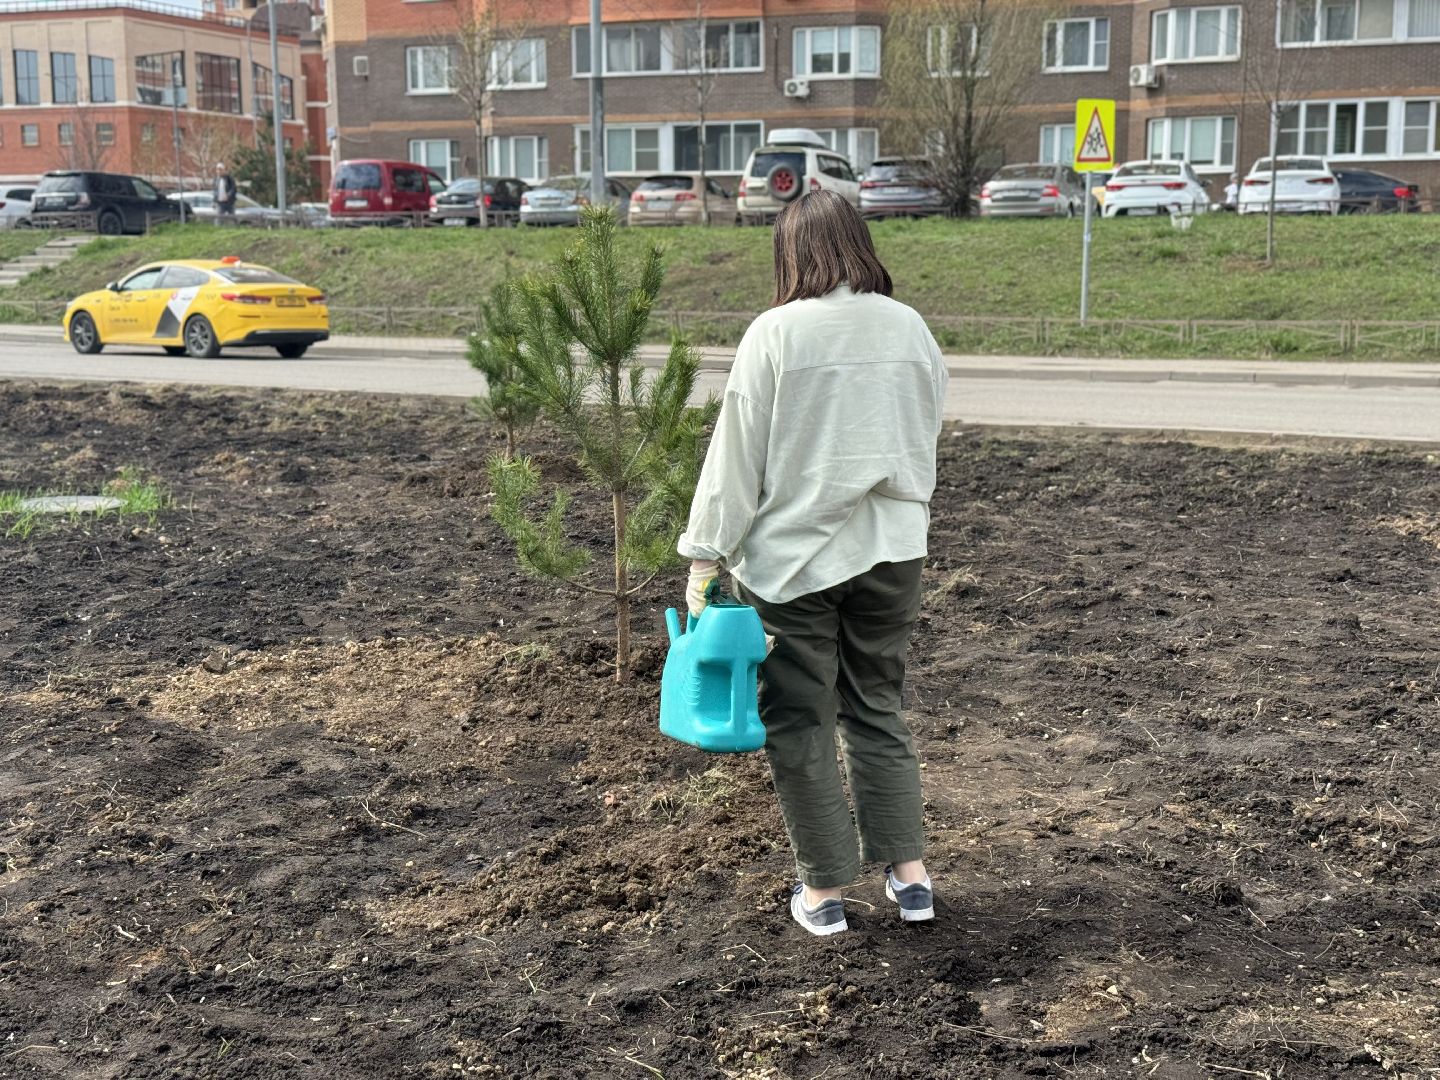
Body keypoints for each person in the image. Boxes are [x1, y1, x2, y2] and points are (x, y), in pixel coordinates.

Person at [677, 190, 948, 937]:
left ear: (792, 253)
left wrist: (705, 556)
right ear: (860, 244)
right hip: (894, 550)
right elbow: (925, 429)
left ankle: (825, 894)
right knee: (878, 707)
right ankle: (911, 879)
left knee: (799, 720)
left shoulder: (777, 333)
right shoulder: (910, 327)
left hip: (793, 565)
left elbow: (737, 456)